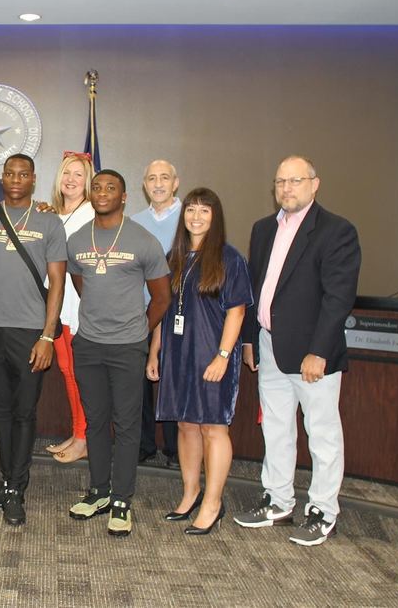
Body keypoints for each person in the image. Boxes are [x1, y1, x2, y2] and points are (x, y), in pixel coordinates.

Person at [234, 155, 361, 547]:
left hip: (313, 354)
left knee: (321, 432)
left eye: (296, 181)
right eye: (281, 182)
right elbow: (257, 291)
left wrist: (319, 351)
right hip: (271, 346)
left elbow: (338, 298)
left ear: (314, 184)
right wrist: (251, 338)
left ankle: (323, 509)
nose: (287, 189)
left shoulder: (336, 231)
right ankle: (278, 499)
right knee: (275, 426)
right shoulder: (262, 229)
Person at [66, 169, 171, 536]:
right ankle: (98, 491)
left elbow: (162, 297)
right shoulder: (78, 239)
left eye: (111, 187)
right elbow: (82, 284)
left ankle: (122, 499)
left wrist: (139, 329)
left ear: (124, 196)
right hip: (89, 345)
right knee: (96, 421)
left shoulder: (143, 240)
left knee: (127, 425)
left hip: (128, 346)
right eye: (97, 187)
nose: (102, 192)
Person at [146, 188, 252, 535]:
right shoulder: (174, 256)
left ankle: (213, 502)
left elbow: (237, 313)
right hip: (178, 352)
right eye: (191, 210)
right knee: (185, 425)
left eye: (204, 211)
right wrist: (155, 351)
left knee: (213, 427)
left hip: (212, 353)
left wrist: (223, 356)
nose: (196, 217)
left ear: (215, 216)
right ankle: (190, 493)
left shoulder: (229, 258)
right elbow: (164, 308)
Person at [0, 154, 67, 526]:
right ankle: (8, 482)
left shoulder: (48, 221)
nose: (15, 179)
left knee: (24, 411)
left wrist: (47, 335)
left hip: (31, 332)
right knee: (1, 411)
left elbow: (57, 281)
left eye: (23, 174)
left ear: (33, 179)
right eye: (9, 173)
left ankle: (16, 489)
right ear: (3, 177)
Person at [43, 152, 95, 464]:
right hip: (55, 306)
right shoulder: (52, 215)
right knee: (66, 371)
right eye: (66, 173)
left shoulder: (91, 215)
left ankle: (84, 438)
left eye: (78, 174)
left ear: (87, 181)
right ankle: (78, 432)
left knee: (77, 373)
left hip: (78, 306)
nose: (71, 180)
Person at [131, 159, 182, 467]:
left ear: (176, 183)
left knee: (173, 380)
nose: (158, 183)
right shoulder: (134, 221)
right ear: (145, 184)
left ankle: (175, 449)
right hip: (141, 314)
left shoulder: (191, 217)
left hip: (178, 315)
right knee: (138, 384)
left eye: (165, 178)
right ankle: (144, 444)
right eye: (152, 178)